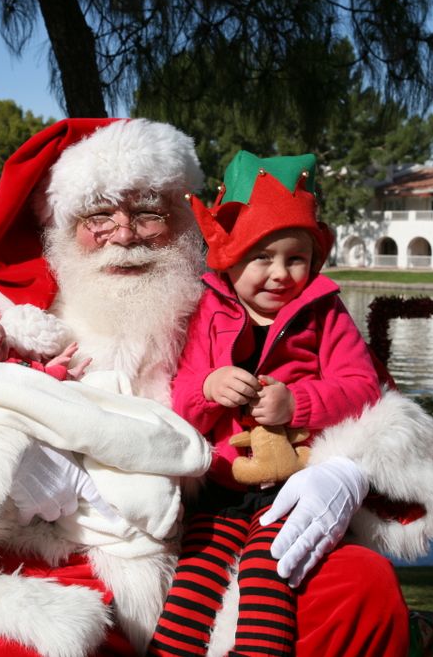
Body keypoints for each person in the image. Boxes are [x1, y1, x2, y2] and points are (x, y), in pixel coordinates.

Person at [0, 118, 433, 657]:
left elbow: (372, 396)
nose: (125, 233)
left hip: (218, 543)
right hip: (59, 554)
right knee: (10, 643)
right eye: (98, 215)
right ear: (60, 225)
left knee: (358, 590)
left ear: (186, 221)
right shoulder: (0, 311)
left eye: (150, 211)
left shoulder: (235, 296)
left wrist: (343, 469)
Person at [150, 151, 380, 657]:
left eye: (294, 258)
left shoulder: (323, 312)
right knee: (190, 586)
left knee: (270, 575)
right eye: (262, 257)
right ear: (230, 259)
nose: (280, 274)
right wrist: (209, 388)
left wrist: (298, 402)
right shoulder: (206, 310)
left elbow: (363, 387)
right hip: (220, 487)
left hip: (296, 487)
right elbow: (181, 400)